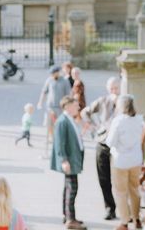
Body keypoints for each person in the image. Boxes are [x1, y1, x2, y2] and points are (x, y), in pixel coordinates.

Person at [81, 76, 120, 220]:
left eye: (116, 88)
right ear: (107, 89)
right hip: (103, 142)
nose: (114, 91)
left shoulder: (125, 102)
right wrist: (94, 126)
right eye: (111, 88)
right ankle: (110, 208)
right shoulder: (102, 101)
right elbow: (85, 112)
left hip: (118, 145)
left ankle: (124, 208)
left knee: (119, 178)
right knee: (104, 178)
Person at [105, 94, 145, 230]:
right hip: (135, 160)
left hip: (121, 161)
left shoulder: (118, 121)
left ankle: (124, 222)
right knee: (134, 189)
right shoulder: (139, 120)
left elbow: (110, 142)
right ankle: (137, 218)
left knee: (121, 192)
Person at [51, 96, 85, 229]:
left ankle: (69, 216)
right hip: (69, 160)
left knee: (69, 188)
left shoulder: (69, 119)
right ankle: (70, 219)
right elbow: (60, 143)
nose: (78, 107)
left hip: (73, 159)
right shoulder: (62, 121)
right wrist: (63, 160)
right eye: (76, 105)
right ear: (67, 106)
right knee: (72, 189)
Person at [37, 66, 72, 138]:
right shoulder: (49, 80)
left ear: (57, 73)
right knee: (48, 123)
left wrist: (68, 106)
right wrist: (40, 102)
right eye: (51, 73)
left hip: (60, 107)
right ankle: (52, 137)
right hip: (50, 107)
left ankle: (59, 137)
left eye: (53, 73)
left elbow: (68, 94)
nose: (51, 75)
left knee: (59, 124)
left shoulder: (65, 81)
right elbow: (44, 92)